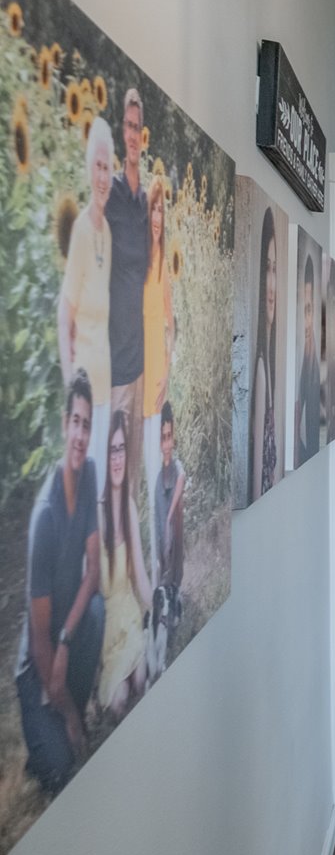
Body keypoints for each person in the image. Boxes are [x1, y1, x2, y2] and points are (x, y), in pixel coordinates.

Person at [15, 374, 105, 795]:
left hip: (60, 642)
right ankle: (53, 729)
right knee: (59, 775)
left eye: (88, 425)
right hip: (38, 665)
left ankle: (65, 719)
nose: (81, 434)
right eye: (76, 422)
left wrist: (68, 640)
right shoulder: (44, 517)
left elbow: (93, 574)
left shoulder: (88, 475)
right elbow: (39, 646)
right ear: (63, 424)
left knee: (97, 610)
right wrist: (68, 713)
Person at [59, 118, 116, 476]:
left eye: (107, 167)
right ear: (87, 170)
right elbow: (64, 316)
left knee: (97, 499)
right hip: (84, 398)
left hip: (105, 392)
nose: (102, 177)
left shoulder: (107, 233)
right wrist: (71, 390)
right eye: (97, 166)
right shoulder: (80, 231)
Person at [94, 408, 153, 722]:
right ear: (104, 458)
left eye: (121, 449)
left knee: (141, 680)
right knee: (118, 701)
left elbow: (140, 575)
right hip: (108, 629)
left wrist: (156, 607)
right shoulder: (97, 513)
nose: (116, 458)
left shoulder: (129, 505)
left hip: (130, 616)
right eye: (111, 450)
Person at [105, 89, 151, 490]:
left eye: (138, 126)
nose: (133, 134)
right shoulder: (113, 196)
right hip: (115, 361)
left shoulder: (142, 203)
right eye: (128, 126)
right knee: (112, 478)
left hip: (141, 360)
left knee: (131, 480)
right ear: (122, 131)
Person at [141, 179, 173, 530]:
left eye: (162, 209)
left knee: (154, 471)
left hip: (155, 381)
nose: (157, 216)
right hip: (132, 376)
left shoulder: (163, 265)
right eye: (153, 207)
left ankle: (156, 557)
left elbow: (171, 321)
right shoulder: (138, 262)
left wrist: (169, 367)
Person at [249, 208, 280, 499]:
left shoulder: (270, 366)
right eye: (266, 269)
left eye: (276, 270)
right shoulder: (260, 371)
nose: (272, 285)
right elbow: (258, 484)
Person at [152, 401, 187, 635]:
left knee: (172, 547)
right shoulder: (157, 472)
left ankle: (174, 597)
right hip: (161, 527)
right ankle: (164, 604)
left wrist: (168, 519)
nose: (167, 444)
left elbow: (182, 478)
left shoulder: (175, 467)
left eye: (169, 437)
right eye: (162, 438)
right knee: (162, 556)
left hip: (172, 526)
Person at [295, 250, 322, 465]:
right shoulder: (297, 365)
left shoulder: (313, 361)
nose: (306, 320)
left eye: (309, 310)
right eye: (302, 311)